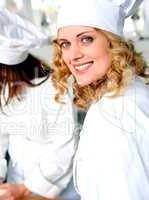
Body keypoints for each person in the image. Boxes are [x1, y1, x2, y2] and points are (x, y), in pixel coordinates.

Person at [0, 7, 79, 200]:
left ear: (5, 66)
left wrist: (29, 187)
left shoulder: (54, 87)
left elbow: (63, 147)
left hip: (57, 184)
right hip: (17, 181)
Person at [52, 0, 149, 199]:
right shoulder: (133, 90)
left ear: (113, 44)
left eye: (86, 39)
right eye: (65, 44)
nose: (73, 55)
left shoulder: (113, 115)